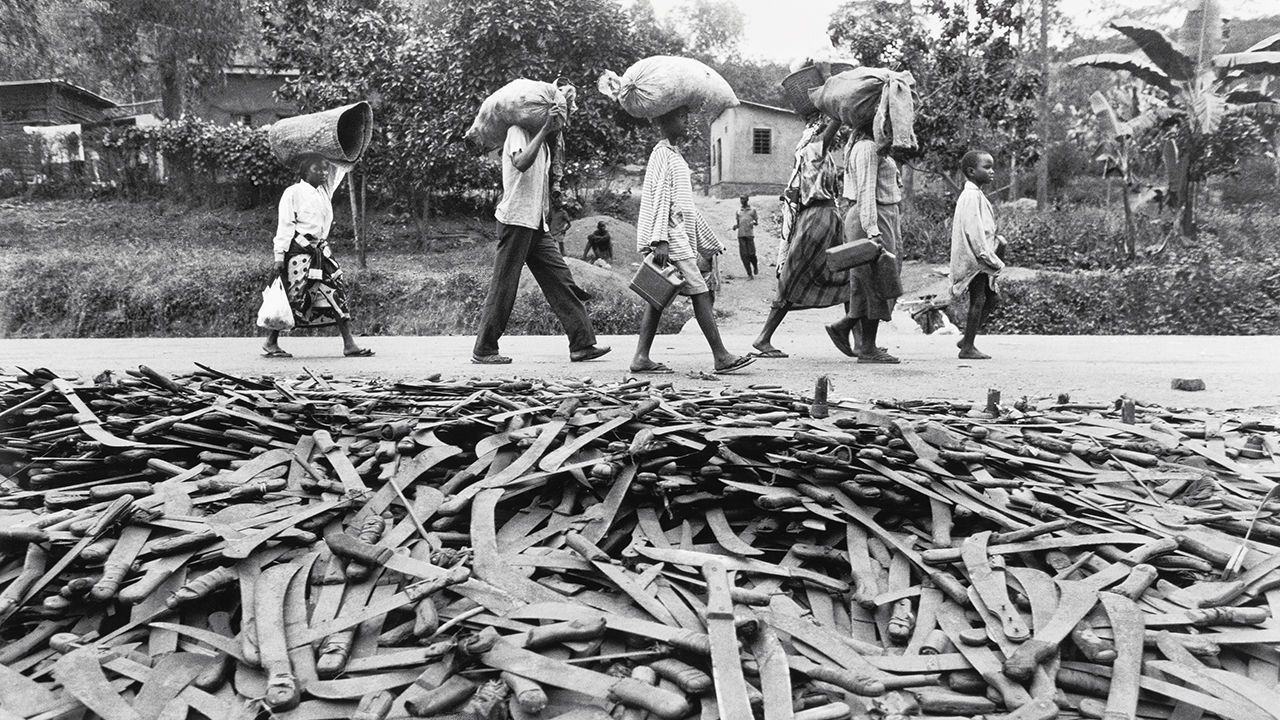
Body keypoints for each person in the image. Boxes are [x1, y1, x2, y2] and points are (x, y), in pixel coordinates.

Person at [471, 102, 610, 365]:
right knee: (504, 286)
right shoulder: (517, 132)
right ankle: (484, 349)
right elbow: (521, 163)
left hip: (536, 224)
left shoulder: (544, 143)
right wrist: (545, 129)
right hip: (515, 221)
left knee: (561, 280)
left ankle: (582, 344)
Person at [630, 106, 754, 376]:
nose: (686, 121)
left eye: (687, 116)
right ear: (665, 120)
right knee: (700, 291)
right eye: (681, 117)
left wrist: (704, 239)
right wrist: (660, 239)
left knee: (658, 295)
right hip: (671, 235)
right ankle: (721, 356)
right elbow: (660, 196)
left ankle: (641, 357)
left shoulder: (674, 154)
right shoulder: (662, 154)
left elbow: (684, 204)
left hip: (678, 233)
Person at [751, 117, 848, 359]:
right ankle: (763, 338)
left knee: (847, 274)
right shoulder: (815, 149)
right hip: (818, 219)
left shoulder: (820, 154)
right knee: (794, 277)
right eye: (831, 131)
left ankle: (855, 338)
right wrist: (838, 110)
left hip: (826, 218)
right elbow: (834, 124)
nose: (837, 134)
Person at [262, 153, 373, 359]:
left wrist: (349, 155)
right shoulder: (293, 193)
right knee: (293, 295)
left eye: (325, 169)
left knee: (336, 291)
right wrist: (279, 256)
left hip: (321, 252)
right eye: (318, 169)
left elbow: (340, 169)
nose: (324, 173)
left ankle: (349, 344)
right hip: (298, 254)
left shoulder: (324, 191)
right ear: (306, 172)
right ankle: (271, 341)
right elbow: (285, 225)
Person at [824, 121, 905, 364]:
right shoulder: (868, 148)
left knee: (869, 281)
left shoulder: (872, 148)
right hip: (871, 216)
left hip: (880, 215)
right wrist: (872, 229)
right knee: (877, 281)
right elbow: (865, 191)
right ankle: (867, 347)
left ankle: (847, 328)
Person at [950, 150, 1006, 360]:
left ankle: (967, 339)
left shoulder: (976, 194)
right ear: (972, 171)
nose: (992, 171)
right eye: (987, 167)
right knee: (979, 299)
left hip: (979, 256)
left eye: (992, 167)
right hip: (976, 259)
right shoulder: (972, 196)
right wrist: (989, 258)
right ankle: (967, 347)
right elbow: (974, 232)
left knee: (992, 298)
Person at [732, 195, 759, 278]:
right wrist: (735, 226)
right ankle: (749, 274)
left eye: (743, 199)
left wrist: (753, 222)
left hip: (749, 235)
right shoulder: (738, 211)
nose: (741, 200)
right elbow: (738, 223)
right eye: (740, 199)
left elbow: (756, 222)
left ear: (747, 199)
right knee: (744, 255)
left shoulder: (753, 210)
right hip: (741, 235)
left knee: (752, 254)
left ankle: (755, 266)